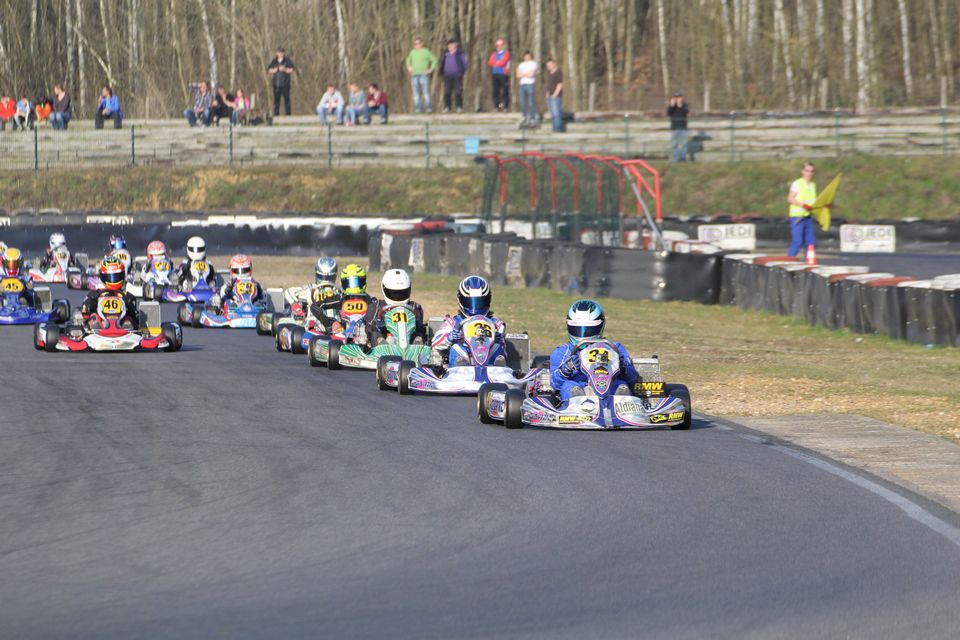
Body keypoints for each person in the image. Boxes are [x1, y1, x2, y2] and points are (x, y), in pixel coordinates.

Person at [550, 300, 638, 401]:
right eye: (577, 329)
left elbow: (632, 379)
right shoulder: (562, 352)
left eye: (589, 330)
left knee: (621, 385)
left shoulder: (614, 348)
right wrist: (566, 369)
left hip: (608, 387)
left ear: (600, 326)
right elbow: (555, 384)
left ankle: (622, 404)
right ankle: (578, 402)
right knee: (569, 386)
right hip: (580, 387)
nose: (583, 335)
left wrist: (622, 366)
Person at [431, 275, 506, 367]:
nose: (475, 307)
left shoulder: (496, 325)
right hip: (460, 367)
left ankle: (498, 367)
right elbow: (435, 343)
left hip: (489, 365)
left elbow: (505, 352)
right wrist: (449, 337)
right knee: (456, 348)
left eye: (480, 302)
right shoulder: (452, 323)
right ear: (460, 299)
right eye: (470, 302)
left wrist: (499, 340)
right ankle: (460, 364)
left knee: (497, 347)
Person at [79, 256, 140, 329]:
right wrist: (89, 305)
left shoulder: (127, 296)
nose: (113, 280)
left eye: (116, 276)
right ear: (102, 276)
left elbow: (136, 317)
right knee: (93, 317)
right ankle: (95, 326)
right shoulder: (95, 294)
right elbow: (84, 311)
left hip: (121, 324)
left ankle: (126, 327)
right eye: (110, 276)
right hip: (100, 324)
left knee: (128, 319)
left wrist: (129, 304)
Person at [375, 268, 427, 343]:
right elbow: (370, 326)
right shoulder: (377, 306)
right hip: (384, 341)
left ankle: (418, 344)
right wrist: (381, 322)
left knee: (419, 331)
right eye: (394, 293)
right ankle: (381, 343)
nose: (398, 296)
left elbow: (419, 327)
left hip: (409, 343)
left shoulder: (414, 307)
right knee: (374, 331)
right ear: (384, 288)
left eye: (402, 293)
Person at [787, 162, 819, 263]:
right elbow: (790, 199)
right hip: (797, 217)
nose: (809, 173)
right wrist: (802, 205)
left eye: (811, 171)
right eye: (807, 171)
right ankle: (788, 262)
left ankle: (809, 264)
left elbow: (814, 201)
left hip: (808, 217)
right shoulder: (797, 183)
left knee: (810, 243)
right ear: (802, 171)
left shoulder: (813, 185)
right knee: (797, 241)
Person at [406, 36, 437, 114]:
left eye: (418, 43)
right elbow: (408, 60)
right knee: (416, 93)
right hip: (414, 75)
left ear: (422, 44)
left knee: (425, 92)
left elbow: (434, 60)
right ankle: (418, 109)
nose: (417, 45)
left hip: (423, 75)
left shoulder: (426, 52)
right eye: (415, 44)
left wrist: (430, 70)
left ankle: (428, 108)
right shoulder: (412, 52)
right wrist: (408, 67)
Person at [439, 39, 468, 113]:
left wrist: (462, 72)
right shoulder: (445, 54)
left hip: (457, 75)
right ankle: (447, 107)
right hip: (447, 76)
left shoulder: (460, 54)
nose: (450, 46)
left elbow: (465, 64)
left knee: (458, 91)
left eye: (452, 45)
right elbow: (441, 63)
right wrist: (441, 72)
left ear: (455, 45)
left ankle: (459, 107)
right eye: (449, 45)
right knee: (447, 92)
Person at [268, 47, 296, 117]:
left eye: (282, 52)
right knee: (276, 101)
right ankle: (276, 115)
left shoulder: (287, 61)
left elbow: (292, 69)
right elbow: (269, 70)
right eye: (279, 52)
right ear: (277, 53)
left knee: (287, 100)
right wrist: (276, 69)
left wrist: (285, 69)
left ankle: (288, 115)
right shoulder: (274, 61)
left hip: (285, 84)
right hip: (276, 84)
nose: (280, 54)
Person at [488, 38, 511, 111]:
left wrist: (496, 63)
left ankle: (505, 106)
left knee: (504, 91)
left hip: (503, 74)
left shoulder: (506, 53)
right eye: (497, 46)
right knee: (495, 91)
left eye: (500, 45)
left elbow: (503, 62)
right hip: (495, 73)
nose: (499, 47)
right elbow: (490, 62)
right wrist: (497, 63)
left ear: (503, 46)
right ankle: (497, 106)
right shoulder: (494, 54)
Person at [517, 51, 539, 128]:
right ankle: (524, 117)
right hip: (522, 84)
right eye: (525, 56)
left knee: (531, 102)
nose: (527, 57)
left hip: (530, 84)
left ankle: (533, 118)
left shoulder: (533, 64)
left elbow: (531, 74)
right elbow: (518, 75)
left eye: (528, 56)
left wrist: (523, 74)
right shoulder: (521, 65)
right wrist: (526, 74)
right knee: (523, 102)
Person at [667, 92, 689, 162]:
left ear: (682, 98)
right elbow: (669, 113)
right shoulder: (672, 106)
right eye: (676, 97)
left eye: (679, 97)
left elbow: (685, 113)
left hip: (683, 128)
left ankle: (683, 158)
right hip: (675, 128)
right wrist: (671, 106)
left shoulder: (685, 105)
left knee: (684, 144)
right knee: (674, 144)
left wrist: (680, 105)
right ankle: (675, 159)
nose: (677, 99)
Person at [545, 58, 564, 133]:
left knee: (556, 114)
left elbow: (560, 84)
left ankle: (558, 130)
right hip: (549, 97)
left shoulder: (558, 72)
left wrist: (555, 94)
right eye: (548, 65)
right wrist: (547, 93)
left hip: (555, 97)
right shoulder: (549, 74)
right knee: (552, 114)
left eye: (550, 65)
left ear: (554, 64)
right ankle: (554, 128)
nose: (549, 67)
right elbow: (548, 85)